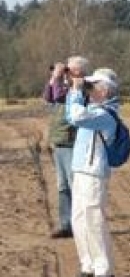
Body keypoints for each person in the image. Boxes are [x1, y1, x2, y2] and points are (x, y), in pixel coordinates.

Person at [66, 67, 120, 277]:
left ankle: (103, 270)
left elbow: (76, 117)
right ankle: (87, 265)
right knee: (79, 220)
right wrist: (73, 90)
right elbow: (71, 115)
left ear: (105, 90)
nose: (89, 89)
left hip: (93, 173)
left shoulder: (106, 114)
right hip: (81, 170)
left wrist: (76, 91)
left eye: (93, 85)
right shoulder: (94, 108)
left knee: (95, 222)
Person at [43, 59, 87, 239]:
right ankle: (65, 224)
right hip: (60, 142)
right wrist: (53, 79)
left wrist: (57, 78)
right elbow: (48, 97)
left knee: (74, 185)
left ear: (79, 71)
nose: (66, 72)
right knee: (62, 187)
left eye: (70, 69)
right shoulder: (66, 85)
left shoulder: (80, 87)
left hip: (71, 142)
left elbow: (60, 96)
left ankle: (79, 224)